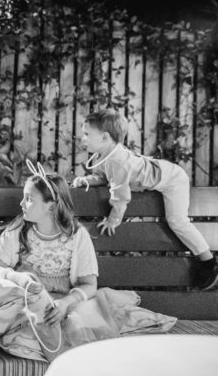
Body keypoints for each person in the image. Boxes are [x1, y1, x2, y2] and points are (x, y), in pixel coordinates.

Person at [0, 162, 176, 361]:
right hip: (32, 302)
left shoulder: (76, 235)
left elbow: (89, 284)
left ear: (50, 206)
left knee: (80, 324)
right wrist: (17, 277)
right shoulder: (17, 230)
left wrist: (66, 302)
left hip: (67, 301)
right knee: (29, 332)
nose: (22, 204)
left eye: (29, 199)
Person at [73, 108, 218, 290]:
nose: (82, 138)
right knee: (173, 220)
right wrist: (86, 180)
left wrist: (113, 220)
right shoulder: (108, 155)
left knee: (177, 221)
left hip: (173, 180)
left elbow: (121, 197)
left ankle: (208, 261)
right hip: (163, 174)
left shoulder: (117, 161)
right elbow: (106, 178)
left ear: (104, 137)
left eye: (87, 134)